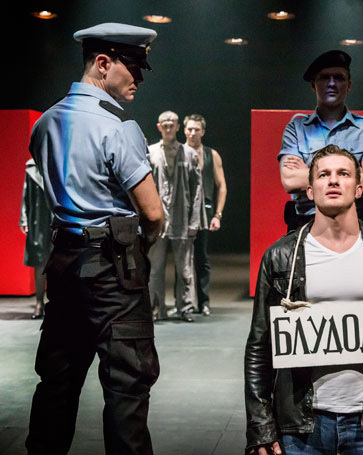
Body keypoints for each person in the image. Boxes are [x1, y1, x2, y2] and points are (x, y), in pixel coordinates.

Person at [25, 23, 164, 455]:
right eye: (134, 68)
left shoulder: (46, 122)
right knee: (126, 386)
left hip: (65, 260)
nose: (139, 79)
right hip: (114, 269)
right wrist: (140, 247)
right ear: (103, 63)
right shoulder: (117, 127)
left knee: (58, 381)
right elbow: (154, 213)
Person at [245, 145, 363, 455]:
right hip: (302, 427)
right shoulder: (280, 256)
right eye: (323, 175)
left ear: (358, 189)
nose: (332, 181)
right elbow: (260, 347)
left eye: (343, 174)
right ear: (310, 190)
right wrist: (261, 427)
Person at [279, 50, 363, 232]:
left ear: (349, 85)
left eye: (339, 77)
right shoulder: (296, 128)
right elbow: (289, 180)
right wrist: (351, 174)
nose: (332, 83)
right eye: (324, 77)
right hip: (305, 224)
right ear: (314, 85)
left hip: (357, 224)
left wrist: (311, 173)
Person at [148, 111, 204, 322]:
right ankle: (155, 308)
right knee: (155, 268)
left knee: (185, 268)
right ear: (159, 127)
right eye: (165, 125)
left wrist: (194, 221)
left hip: (182, 218)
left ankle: (185, 307)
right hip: (159, 220)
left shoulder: (189, 153)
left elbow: (197, 189)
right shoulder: (151, 153)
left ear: (178, 127)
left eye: (172, 124)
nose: (169, 128)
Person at [183, 113, 226, 316]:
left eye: (196, 129)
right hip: (180, 210)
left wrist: (218, 214)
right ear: (184, 130)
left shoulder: (211, 154)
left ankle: (204, 301)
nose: (192, 133)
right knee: (182, 257)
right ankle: (183, 302)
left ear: (203, 132)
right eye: (189, 129)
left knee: (201, 257)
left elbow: (221, 186)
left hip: (204, 210)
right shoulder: (177, 152)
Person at [19, 158, 53, 319]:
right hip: (38, 220)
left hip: (55, 218)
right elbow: (26, 196)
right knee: (40, 262)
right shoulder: (31, 167)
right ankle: (39, 303)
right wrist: (24, 220)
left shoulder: (59, 161)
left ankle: (55, 302)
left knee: (58, 261)